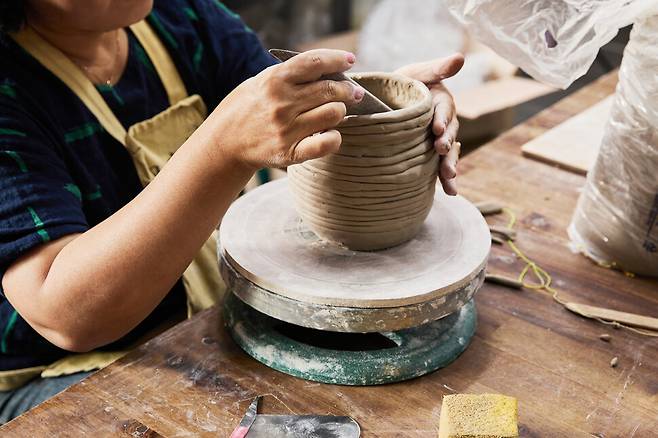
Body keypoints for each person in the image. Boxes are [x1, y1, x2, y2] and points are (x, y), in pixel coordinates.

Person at [0, 0, 462, 422]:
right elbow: (68, 315)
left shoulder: (182, 17)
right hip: (55, 373)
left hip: (200, 316)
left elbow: (290, 118)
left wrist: (392, 118)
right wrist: (222, 148)